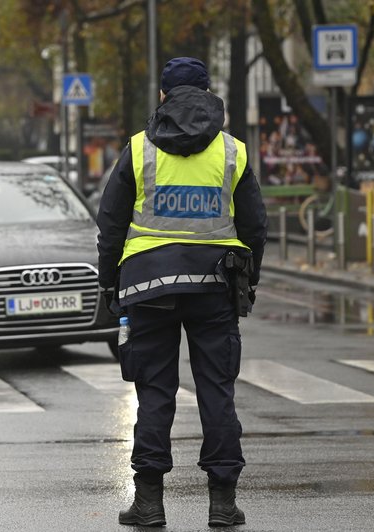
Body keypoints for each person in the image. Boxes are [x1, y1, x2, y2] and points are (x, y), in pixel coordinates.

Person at [96, 57, 267, 528]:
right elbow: (255, 225)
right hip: (215, 285)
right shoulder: (233, 151)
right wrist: (247, 282)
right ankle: (222, 504)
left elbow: (110, 224)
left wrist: (109, 281)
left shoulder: (137, 150)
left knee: (155, 393)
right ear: (209, 93)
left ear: (162, 96)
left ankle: (149, 503)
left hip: (147, 285)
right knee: (217, 391)